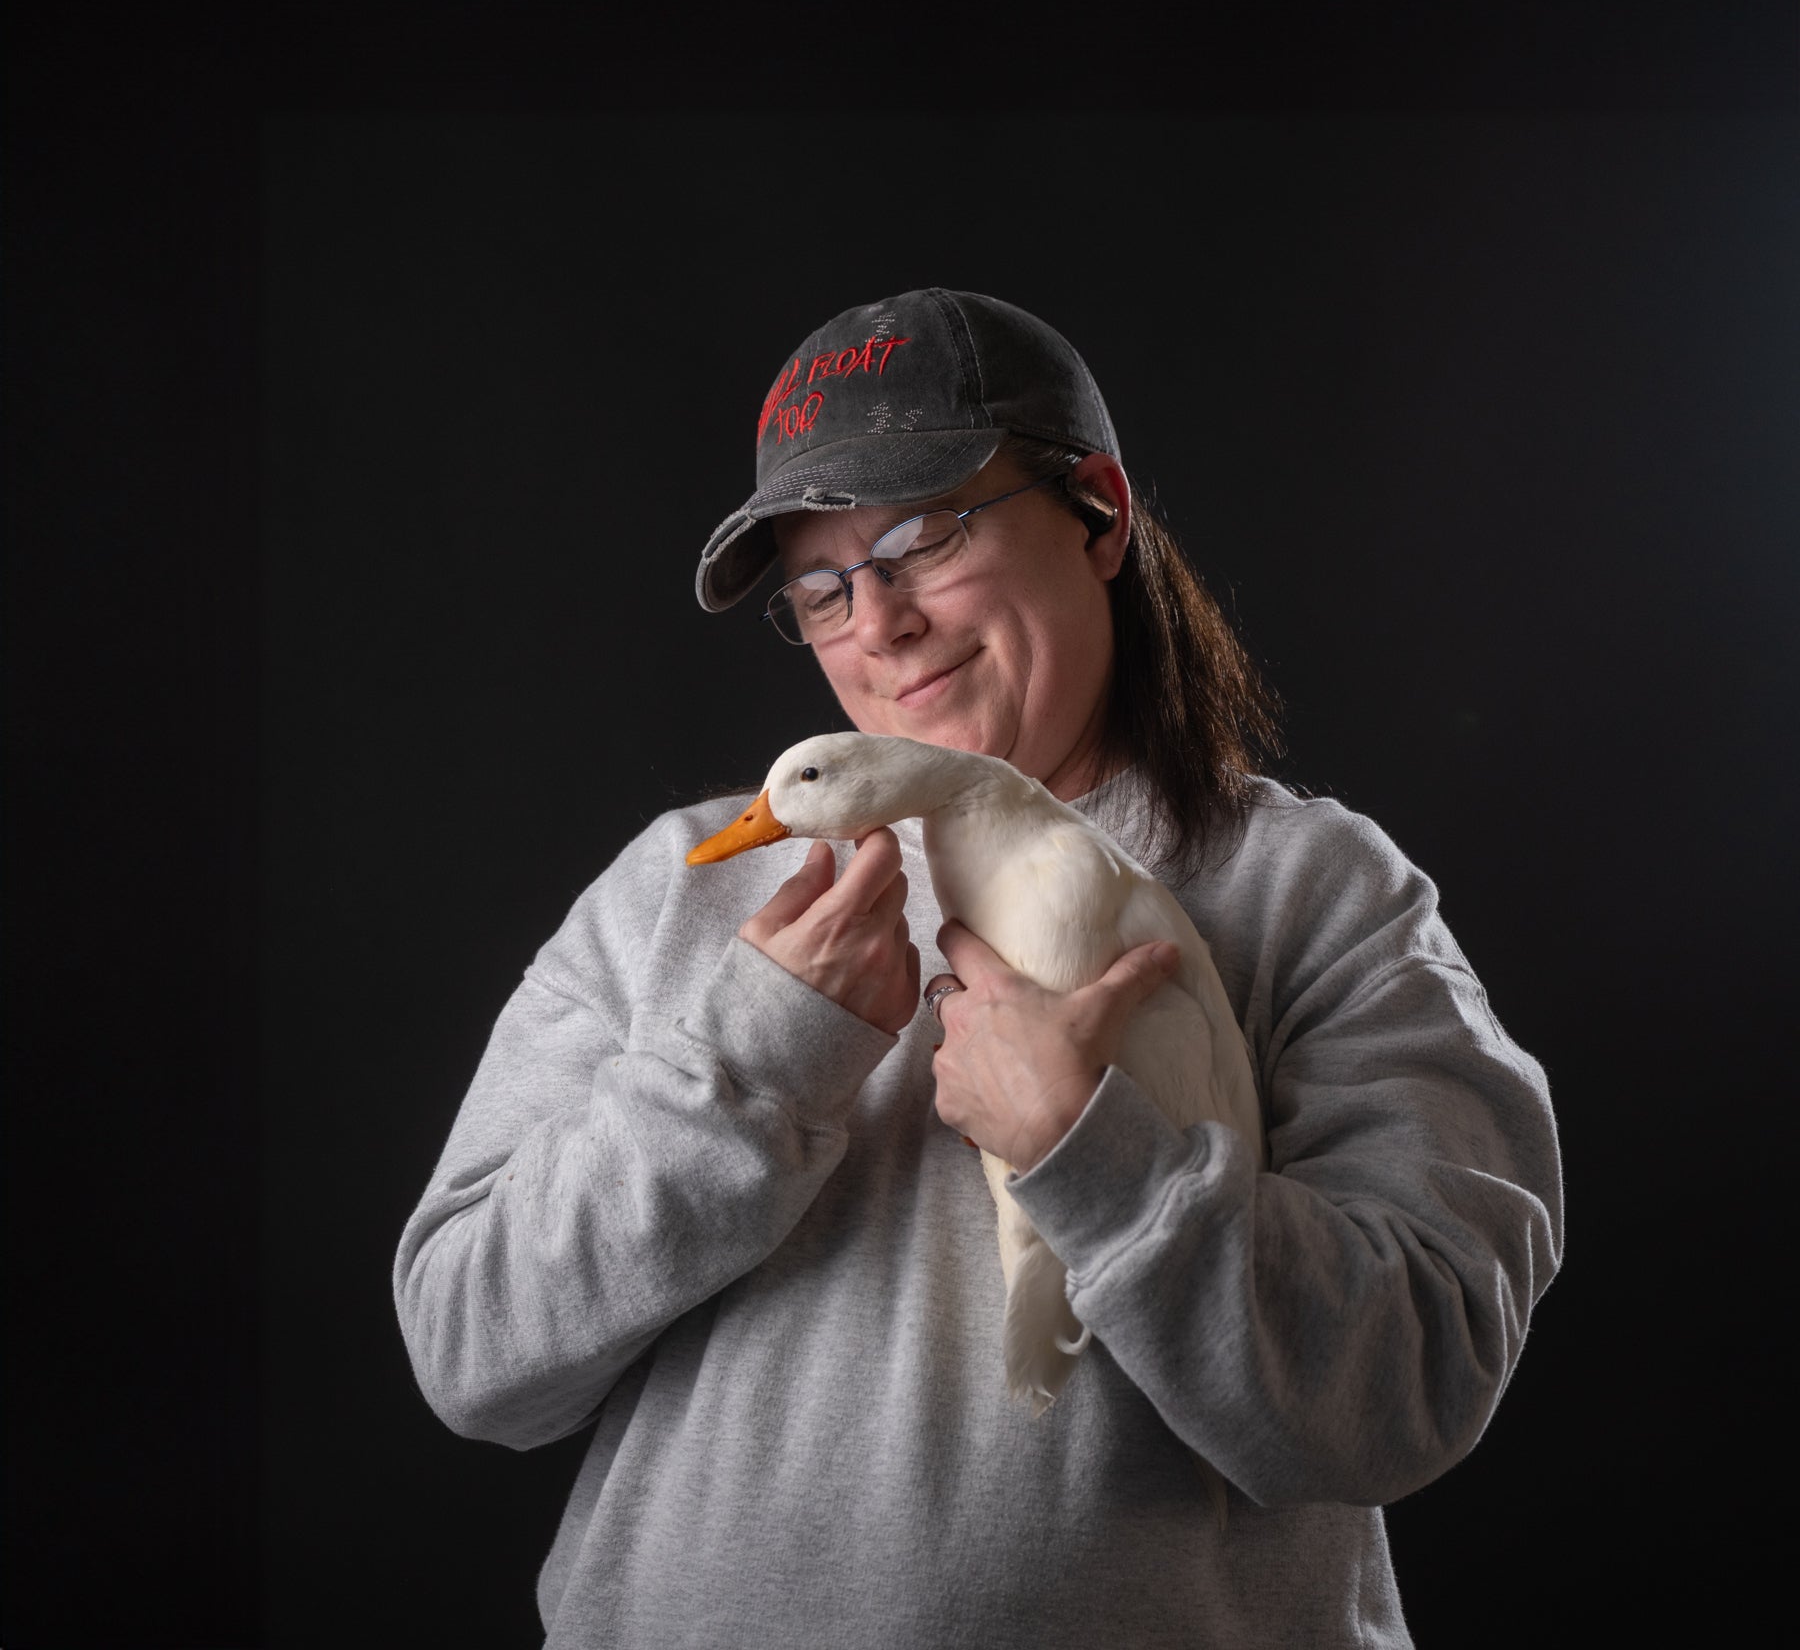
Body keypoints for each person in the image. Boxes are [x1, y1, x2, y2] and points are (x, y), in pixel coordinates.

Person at [394, 288, 1564, 1648]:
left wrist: (1097, 1149)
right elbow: (471, 1355)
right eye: (820, 588)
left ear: (1103, 515)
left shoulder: (1311, 890)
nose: (876, 622)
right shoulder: (679, 888)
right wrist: (748, 1071)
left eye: (921, 537)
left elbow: (1413, 1380)